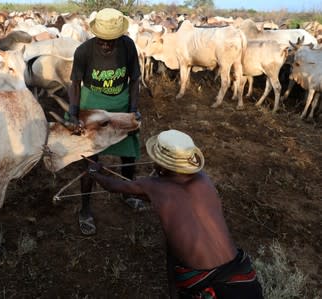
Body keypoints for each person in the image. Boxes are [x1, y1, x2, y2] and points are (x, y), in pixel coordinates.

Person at [87, 129, 264, 299]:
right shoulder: (203, 179)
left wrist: (95, 173)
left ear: (162, 163)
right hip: (244, 277)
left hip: (207, 286)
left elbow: (113, 186)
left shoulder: (153, 186)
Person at [68, 8, 144, 236]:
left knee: (129, 154)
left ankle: (128, 193)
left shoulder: (128, 46)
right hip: (92, 102)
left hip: (121, 102)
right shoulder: (83, 51)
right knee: (90, 159)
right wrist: (73, 111)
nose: (106, 46)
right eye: (102, 41)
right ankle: (85, 209)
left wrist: (132, 110)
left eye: (111, 41)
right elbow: (75, 83)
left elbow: (134, 80)